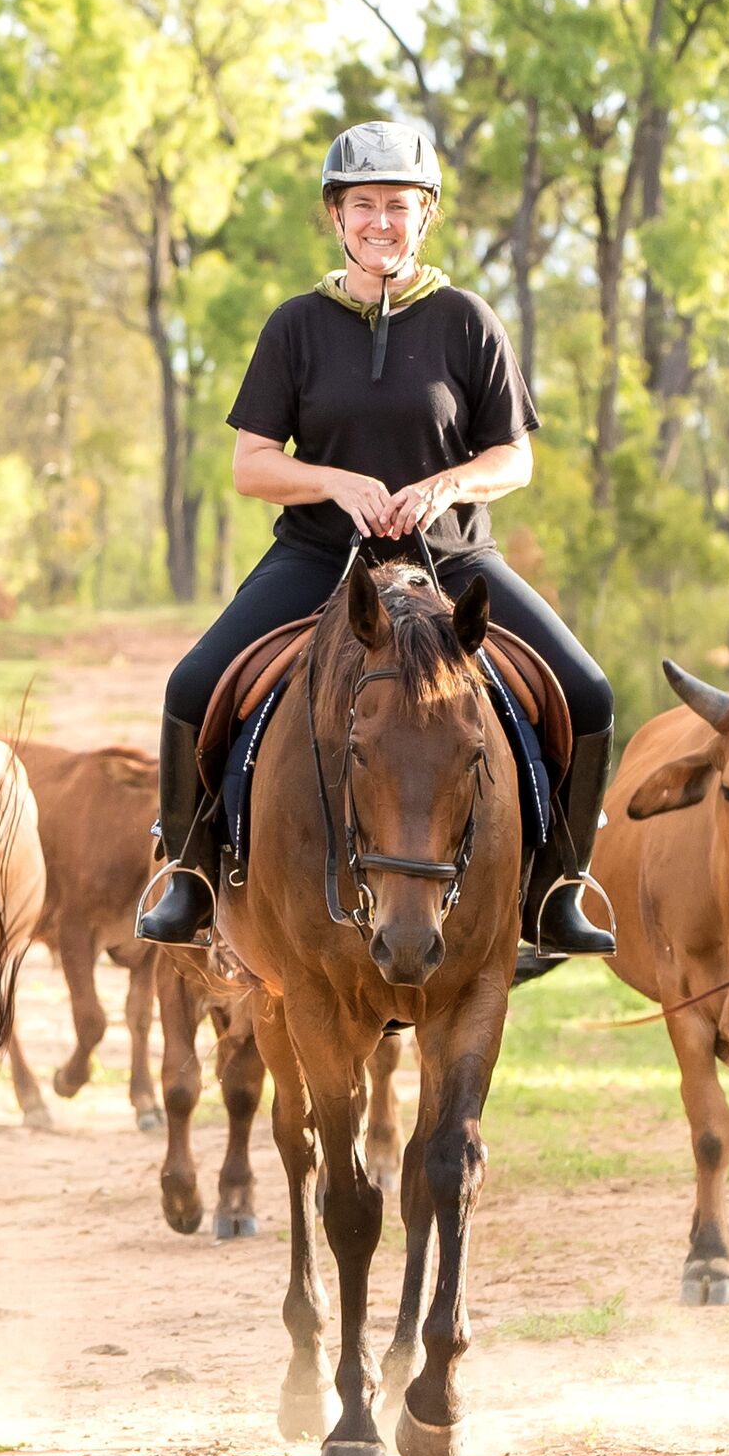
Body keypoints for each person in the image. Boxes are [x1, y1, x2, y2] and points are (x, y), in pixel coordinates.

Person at [136, 120, 619, 958]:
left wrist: (447, 485)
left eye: (399, 205)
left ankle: (557, 892)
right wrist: (333, 482)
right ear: (336, 217)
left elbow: (515, 455)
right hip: (322, 559)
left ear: (426, 215)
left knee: (588, 691)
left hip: (455, 558)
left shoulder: (467, 321)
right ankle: (190, 877)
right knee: (193, 682)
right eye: (364, 205)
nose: (381, 222)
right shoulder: (295, 326)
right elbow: (252, 466)